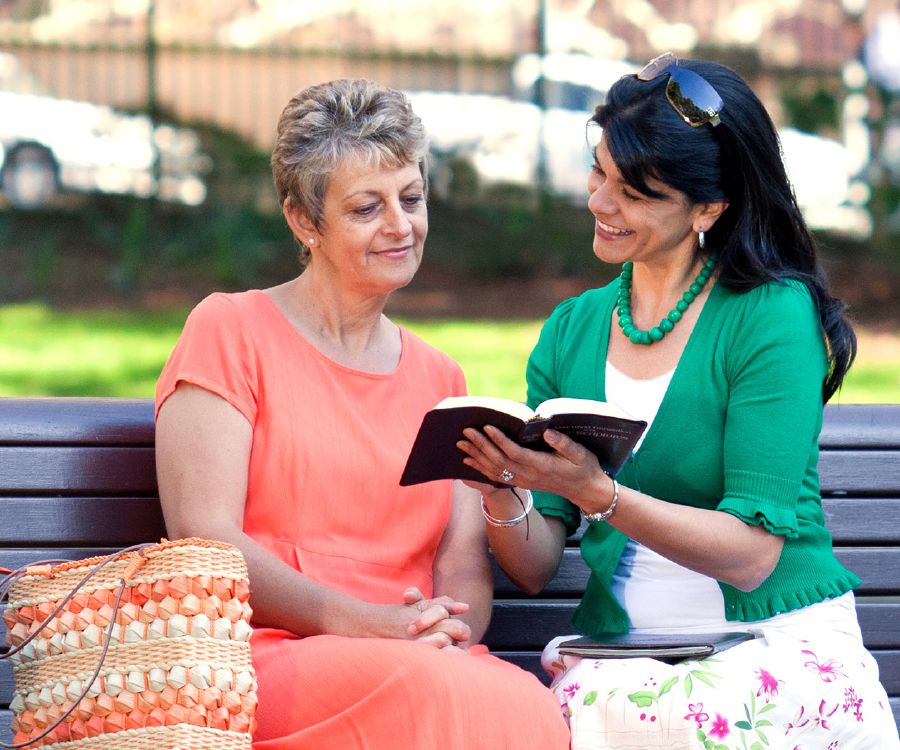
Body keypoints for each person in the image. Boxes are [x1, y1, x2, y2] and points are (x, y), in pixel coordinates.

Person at [457, 53, 900, 749]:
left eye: (634, 193)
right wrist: (502, 486)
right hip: (627, 661)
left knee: (698, 718)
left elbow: (753, 555)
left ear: (709, 207)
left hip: (770, 647)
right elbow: (535, 565)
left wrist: (601, 496)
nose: (601, 203)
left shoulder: (769, 317)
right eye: (599, 172)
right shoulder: (570, 333)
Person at [153, 79, 569, 750]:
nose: (400, 226)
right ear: (303, 221)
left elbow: (459, 558)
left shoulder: (441, 378)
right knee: (440, 694)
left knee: (528, 708)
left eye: (411, 198)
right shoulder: (230, 329)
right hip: (265, 650)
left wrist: (448, 628)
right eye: (367, 208)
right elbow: (206, 539)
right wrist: (361, 621)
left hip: (412, 653)